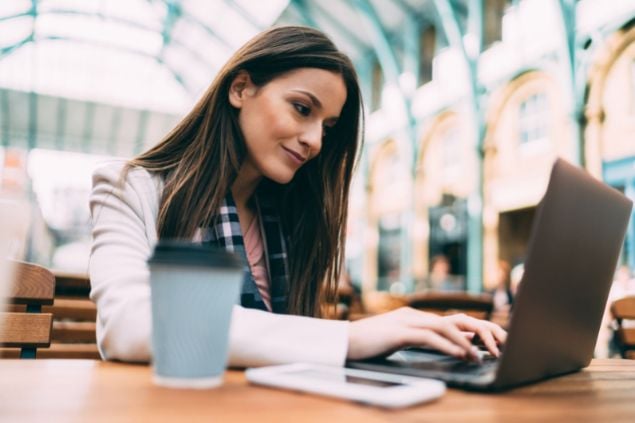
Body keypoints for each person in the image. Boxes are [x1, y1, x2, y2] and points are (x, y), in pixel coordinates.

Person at [89, 26, 506, 368]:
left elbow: (291, 343)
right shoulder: (129, 189)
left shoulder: (294, 216)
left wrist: (417, 341)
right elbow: (130, 326)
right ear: (240, 89)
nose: (315, 142)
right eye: (303, 109)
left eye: (327, 127)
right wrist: (352, 335)